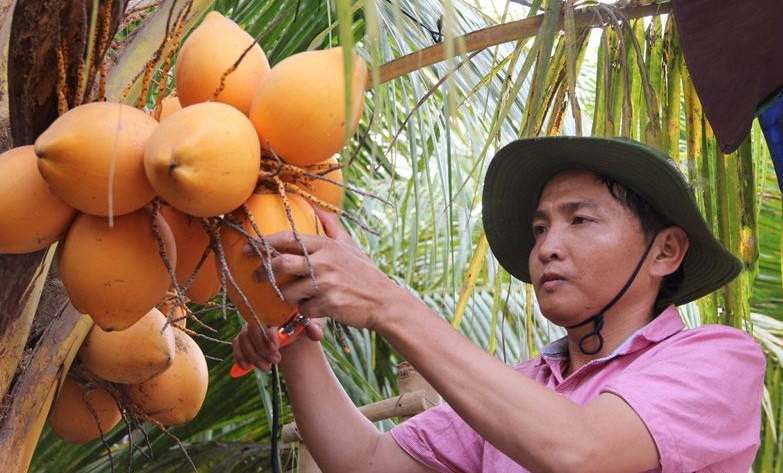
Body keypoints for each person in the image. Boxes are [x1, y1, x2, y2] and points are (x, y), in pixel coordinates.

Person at [232, 136, 766, 472]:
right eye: (540, 228)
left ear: (665, 251)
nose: (546, 247)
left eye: (580, 220)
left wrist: (387, 303)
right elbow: (369, 460)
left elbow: (584, 453)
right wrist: (291, 328)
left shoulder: (718, 358)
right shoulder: (524, 387)